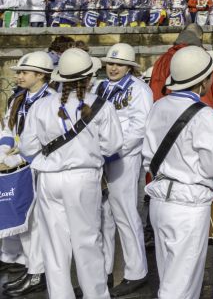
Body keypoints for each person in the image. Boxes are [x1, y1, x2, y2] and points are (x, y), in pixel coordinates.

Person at [20, 48, 123, 299]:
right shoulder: (101, 106)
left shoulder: (42, 105)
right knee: (87, 242)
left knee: (54, 247)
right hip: (82, 177)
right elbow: (112, 146)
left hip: (49, 178)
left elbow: (27, 147)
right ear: (89, 77)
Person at [143, 46, 213, 299]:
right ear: (202, 80)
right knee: (182, 283)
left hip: (160, 198)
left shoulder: (158, 106)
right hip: (189, 203)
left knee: (169, 275)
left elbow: (148, 156)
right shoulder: (206, 115)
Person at [97, 43, 153, 296]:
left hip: (123, 158)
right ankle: (105, 269)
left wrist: (113, 151)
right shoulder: (100, 87)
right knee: (104, 217)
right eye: (110, 63)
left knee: (125, 213)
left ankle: (136, 271)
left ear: (129, 67)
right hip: (101, 157)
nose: (113, 67)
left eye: (119, 64)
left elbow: (140, 127)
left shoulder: (139, 89)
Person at [0, 51, 54, 295]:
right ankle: (32, 268)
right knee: (24, 221)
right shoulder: (18, 98)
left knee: (38, 224)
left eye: (24, 72)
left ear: (40, 75)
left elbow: (51, 139)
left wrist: (21, 157)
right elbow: (8, 127)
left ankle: (38, 272)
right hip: (19, 167)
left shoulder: (52, 99)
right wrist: (3, 152)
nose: (19, 76)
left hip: (41, 167)